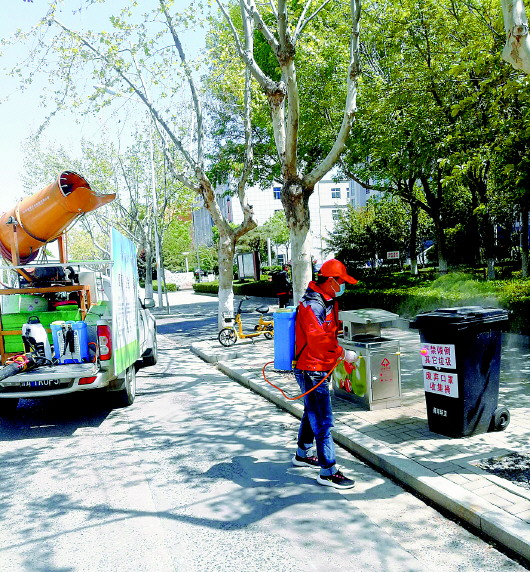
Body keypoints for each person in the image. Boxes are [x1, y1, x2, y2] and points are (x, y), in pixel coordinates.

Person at [291, 258, 359, 489]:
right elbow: (318, 340)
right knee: (323, 420)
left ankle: (302, 453)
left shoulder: (327, 300)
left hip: (319, 365)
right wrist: (343, 353)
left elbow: (328, 334)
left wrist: (338, 352)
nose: (343, 286)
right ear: (331, 281)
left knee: (312, 411)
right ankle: (328, 471)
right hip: (311, 368)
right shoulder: (313, 304)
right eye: (342, 282)